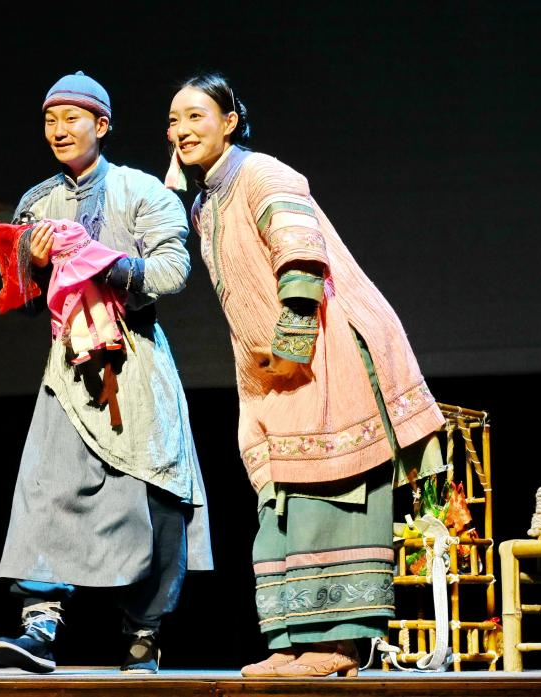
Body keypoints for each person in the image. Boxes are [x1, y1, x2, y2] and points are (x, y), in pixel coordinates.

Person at [166, 73, 445, 677]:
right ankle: (294, 642)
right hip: (275, 371)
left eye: (195, 116)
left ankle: (338, 646)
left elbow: (301, 259)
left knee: (329, 492)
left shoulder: (264, 174)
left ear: (229, 122)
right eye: (173, 120)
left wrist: (293, 348)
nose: (181, 130)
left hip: (325, 347)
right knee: (283, 501)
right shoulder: (206, 202)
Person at [0, 71, 212, 675]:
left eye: (72, 118)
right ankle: (39, 625)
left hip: (135, 363)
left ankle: (144, 632)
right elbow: (19, 297)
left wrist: (98, 262)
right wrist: (33, 265)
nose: (59, 130)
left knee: (154, 493)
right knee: (48, 489)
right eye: (50, 120)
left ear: (103, 125)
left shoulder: (142, 191)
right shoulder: (36, 204)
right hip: (69, 368)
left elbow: (171, 272)